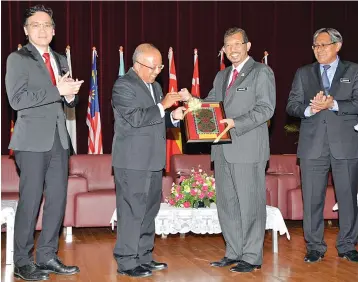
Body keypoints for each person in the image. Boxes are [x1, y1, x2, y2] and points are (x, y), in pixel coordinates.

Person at [180, 27, 276, 272]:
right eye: (227, 46)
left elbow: (266, 109)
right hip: (221, 149)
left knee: (250, 204)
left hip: (248, 149)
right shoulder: (221, 76)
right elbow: (210, 106)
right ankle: (233, 251)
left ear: (247, 45)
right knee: (227, 204)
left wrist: (237, 123)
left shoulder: (261, 72)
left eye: (237, 44)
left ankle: (252, 256)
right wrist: (191, 101)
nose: (232, 50)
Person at [5, 4, 84, 281]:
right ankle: (23, 261)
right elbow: (17, 100)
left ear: (54, 30)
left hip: (59, 139)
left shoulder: (61, 58)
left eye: (47, 25)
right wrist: (57, 90)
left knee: (58, 200)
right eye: (35, 25)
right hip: (31, 141)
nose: (42, 29)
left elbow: (64, 98)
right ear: (27, 30)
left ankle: (48, 255)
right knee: (31, 200)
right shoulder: (17, 59)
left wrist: (71, 96)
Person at [111, 43, 186, 278]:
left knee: (148, 211)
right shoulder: (123, 85)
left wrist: (172, 116)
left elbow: (155, 119)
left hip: (153, 160)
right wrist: (163, 105)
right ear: (137, 63)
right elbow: (135, 118)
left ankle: (144, 256)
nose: (156, 72)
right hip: (132, 162)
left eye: (159, 67)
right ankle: (126, 261)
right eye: (153, 67)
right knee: (132, 211)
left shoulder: (154, 86)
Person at [286, 28, 358, 263]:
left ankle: (347, 245)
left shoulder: (354, 71)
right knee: (312, 199)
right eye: (316, 45)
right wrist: (310, 109)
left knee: (347, 198)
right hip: (312, 145)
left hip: (345, 145)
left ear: (338, 46)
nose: (319, 49)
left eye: (324, 45)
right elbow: (292, 106)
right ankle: (315, 246)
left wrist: (334, 103)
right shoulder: (304, 73)